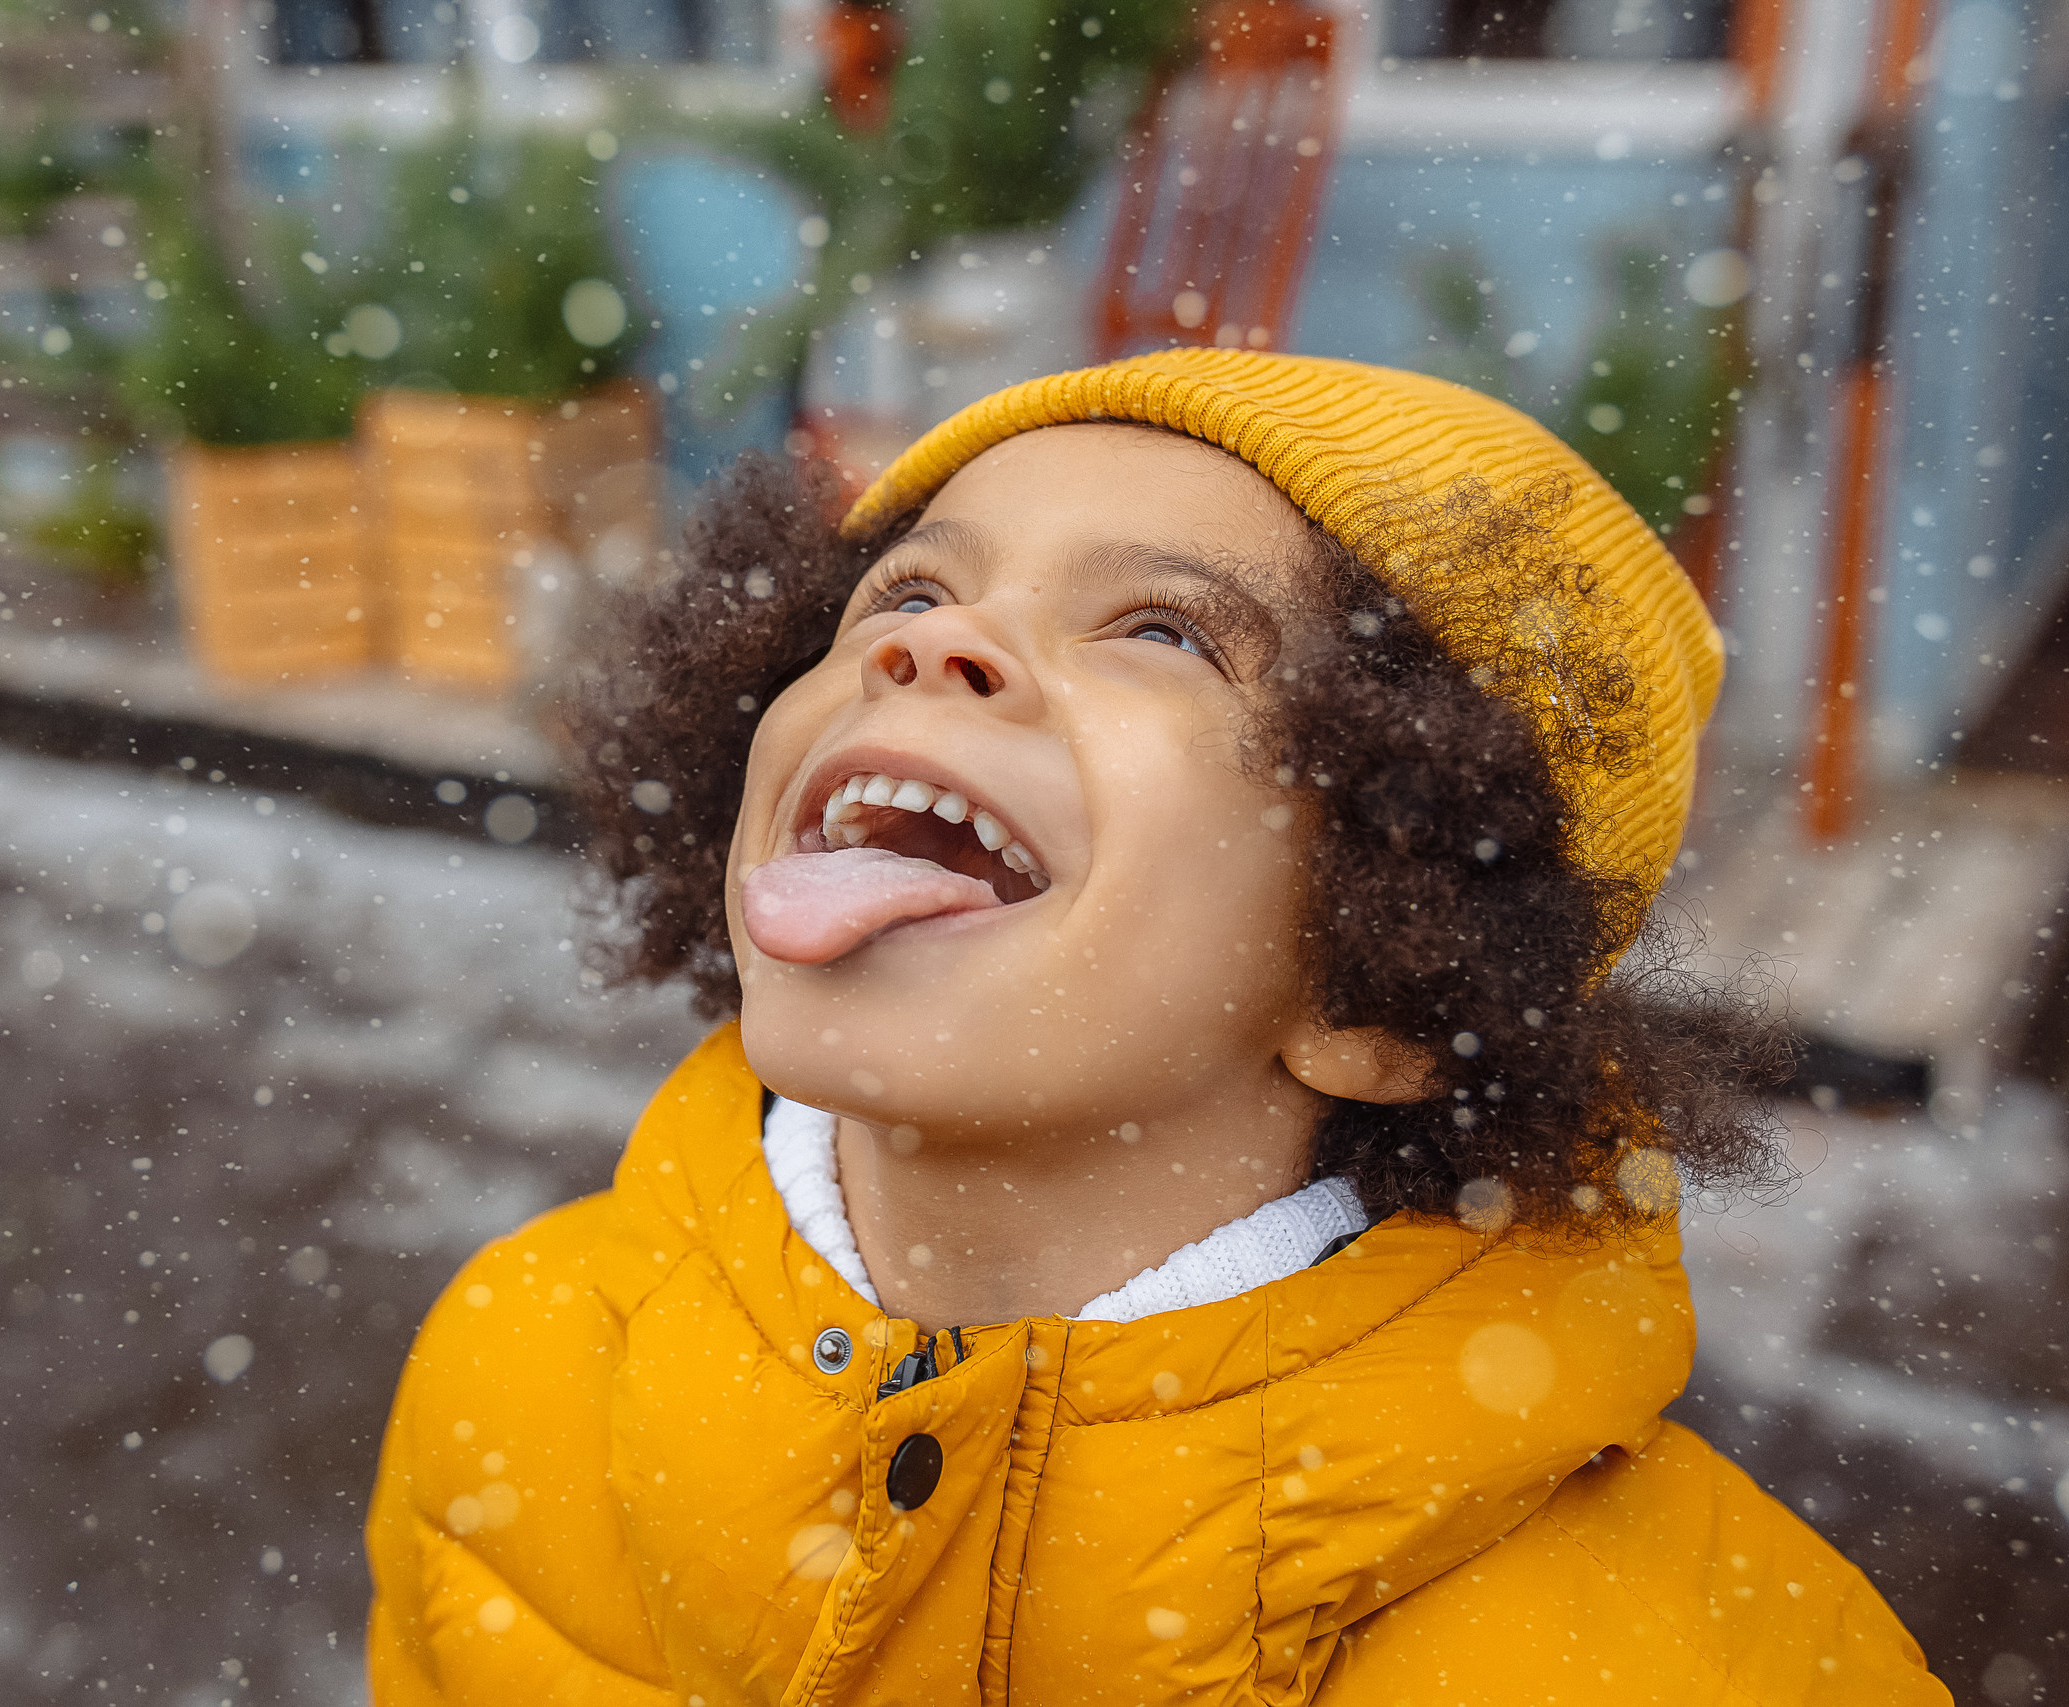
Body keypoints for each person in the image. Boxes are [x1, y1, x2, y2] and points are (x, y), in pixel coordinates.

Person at [364, 350, 1949, 1704]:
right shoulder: (514, 1365)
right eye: (904, 591)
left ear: (1383, 975)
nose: (928, 645)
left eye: (1163, 630)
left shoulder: (1697, 1665)